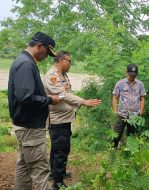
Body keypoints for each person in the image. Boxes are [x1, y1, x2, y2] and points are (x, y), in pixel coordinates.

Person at [43, 50, 102, 190]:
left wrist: (79, 104)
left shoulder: (63, 75)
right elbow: (63, 94)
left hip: (64, 118)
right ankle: (57, 183)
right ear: (61, 60)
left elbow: (68, 94)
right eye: (69, 61)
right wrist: (83, 101)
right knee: (61, 150)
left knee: (58, 148)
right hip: (58, 120)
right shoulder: (52, 76)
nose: (70, 64)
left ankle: (56, 172)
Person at [8, 32, 60, 190]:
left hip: (25, 125)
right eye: (47, 53)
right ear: (39, 46)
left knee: (23, 168)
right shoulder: (26, 64)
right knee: (40, 170)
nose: (47, 57)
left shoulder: (24, 61)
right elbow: (26, 97)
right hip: (30, 128)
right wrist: (50, 99)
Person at [112, 64, 146, 148]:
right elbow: (115, 98)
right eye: (130, 75)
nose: (132, 76)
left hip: (134, 116)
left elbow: (142, 98)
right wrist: (115, 111)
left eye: (134, 75)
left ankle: (131, 152)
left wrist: (141, 111)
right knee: (116, 134)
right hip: (122, 114)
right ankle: (113, 150)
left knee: (132, 136)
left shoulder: (140, 84)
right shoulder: (120, 83)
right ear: (126, 72)